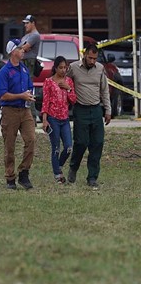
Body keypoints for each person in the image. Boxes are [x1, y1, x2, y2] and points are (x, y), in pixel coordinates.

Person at [66, 44, 111, 189]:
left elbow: (104, 91)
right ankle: (73, 167)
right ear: (85, 55)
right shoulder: (73, 67)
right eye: (90, 58)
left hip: (96, 109)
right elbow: (64, 82)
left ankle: (92, 177)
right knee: (81, 142)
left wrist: (108, 110)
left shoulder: (100, 69)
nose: (92, 61)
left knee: (97, 143)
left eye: (95, 58)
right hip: (80, 109)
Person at [0, 39, 36, 190]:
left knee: (31, 140)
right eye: (20, 48)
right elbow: (3, 95)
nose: (23, 50)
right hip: (10, 112)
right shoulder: (4, 72)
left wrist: (30, 95)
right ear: (13, 52)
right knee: (9, 146)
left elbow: (30, 86)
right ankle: (10, 178)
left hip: (25, 111)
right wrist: (21, 96)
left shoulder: (24, 69)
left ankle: (24, 173)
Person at [41, 56, 77, 183]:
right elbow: (45, 102)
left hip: (65, 119)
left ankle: (59, 166)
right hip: (53, 118)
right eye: (60, 68)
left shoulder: (68, 81)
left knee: (68, 147)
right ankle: (57, 175)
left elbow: (73, 100)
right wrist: (44, 120)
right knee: (55, 147)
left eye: (65, 67)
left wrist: (68, 88)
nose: (63, 70)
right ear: (55, 68)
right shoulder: (49, 82)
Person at [20, 14, 41, 120]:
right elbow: (20, 47)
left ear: (33, 23)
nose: (25, 25)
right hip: (22, 61)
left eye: (27, 23)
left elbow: (23, 47)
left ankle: (32, 117)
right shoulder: (26, 36)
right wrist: (22, 47)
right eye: (25, 23)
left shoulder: (35, 35)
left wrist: (23, 47)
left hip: (29, 62)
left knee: (28, 88)